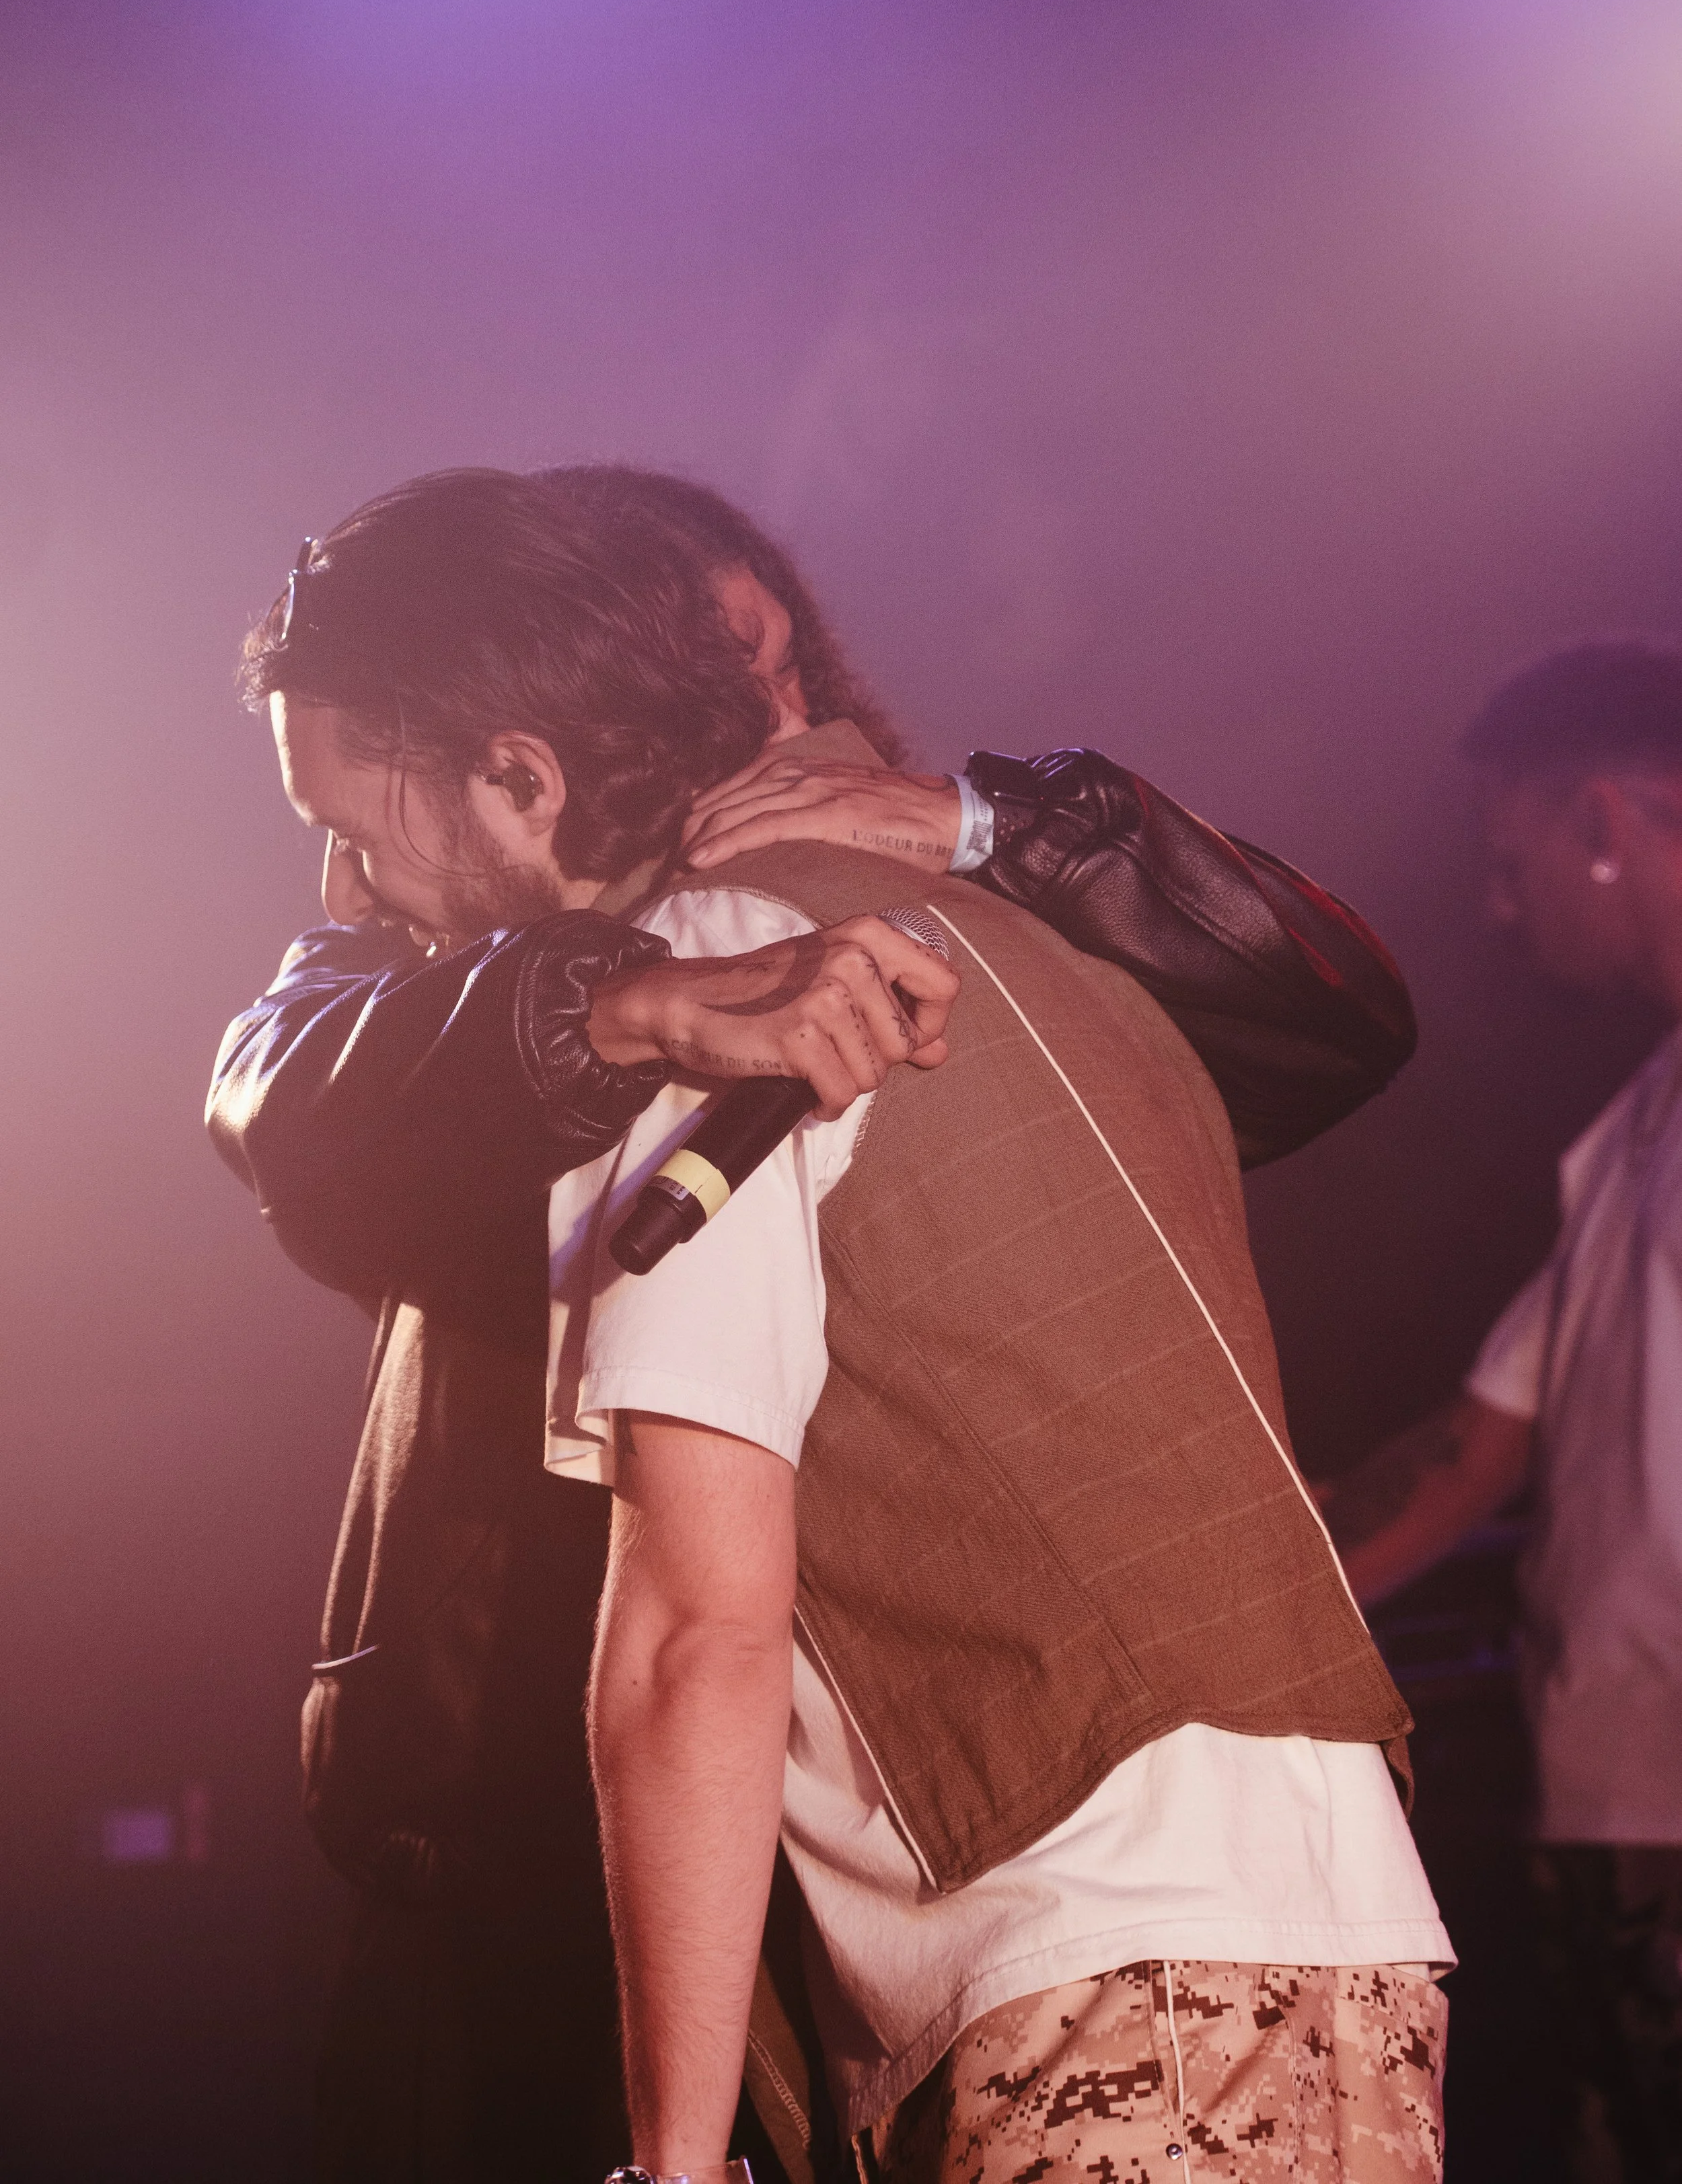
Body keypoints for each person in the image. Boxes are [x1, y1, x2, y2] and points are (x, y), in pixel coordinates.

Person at [212, 464, 1422, 2182]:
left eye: (764, 669)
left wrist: (670, 2167)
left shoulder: (765, 972)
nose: (337, 885)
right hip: (1295, 1950)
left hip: (1061, 1961)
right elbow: (289, 1093)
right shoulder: (698, 988)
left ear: (524, 764)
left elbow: (698, 1632)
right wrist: (621, 1001)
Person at [1317, 638, 1682, 2184]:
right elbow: (1469, 1452)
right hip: (1615, 1809)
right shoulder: (1633, 1129)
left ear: (1605, 820)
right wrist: (1211, 1619)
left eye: (1511, 864)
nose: (1494, 911)